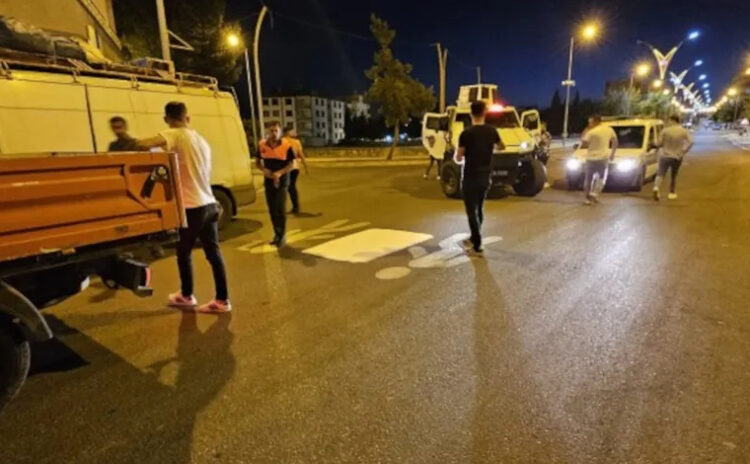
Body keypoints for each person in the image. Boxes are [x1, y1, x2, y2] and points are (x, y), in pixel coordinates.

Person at [137, 102, 231, 314]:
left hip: (192, 207)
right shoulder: (201, 140)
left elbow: (145, 144)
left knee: (183, 252)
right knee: (214, 254)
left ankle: (187, 295)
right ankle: (222, 299)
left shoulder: (175, 134)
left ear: (167, 119)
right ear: (187, 117)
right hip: (209, 203)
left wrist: (128, 141)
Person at [455, 100, 505, 255]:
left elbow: (458, 157)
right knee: (479, 207)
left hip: (470, 176)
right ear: (484, 113)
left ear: (471, 114)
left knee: (471, 211)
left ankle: (477, 244)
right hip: (485, 176)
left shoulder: (466, 134)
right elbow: (502, 146)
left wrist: (459, 157)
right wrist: (489, 151)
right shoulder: (492, 131)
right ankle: (474, 237)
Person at [256, 121, 296, 246]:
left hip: (282, 181)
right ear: (268, 131)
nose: (273, 133)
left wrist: (279, 173)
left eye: (276, 131)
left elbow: (291, 164)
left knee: (280, 208)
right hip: (268, 181)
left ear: (280, 132)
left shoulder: (287, 146)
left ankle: (282, 235)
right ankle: (277, 234)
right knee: (272, 209)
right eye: (271, 131)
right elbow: (257, 162)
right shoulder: (262, 145)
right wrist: (264, 170)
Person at [653, 115, 694, 201]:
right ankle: (672, 193)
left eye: (669, 120)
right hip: (677, 157)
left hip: (665, 156)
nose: (668, 122)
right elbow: (691, 142)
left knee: (660, 173)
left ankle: (656, 187)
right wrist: (684, 151)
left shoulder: (665, 131)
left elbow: (659, 143)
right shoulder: (683, 131)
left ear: (673, 120)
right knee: (674, 175)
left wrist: (654, 144)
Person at [580, 115, 618, 205]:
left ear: (596, 121)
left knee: (588, 179)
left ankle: (587, 199)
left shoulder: (591, 132)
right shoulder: (609, 130)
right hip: (603, 158)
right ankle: (595, 193)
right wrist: (612, 153)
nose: (589, 124)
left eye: (590, 122)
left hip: (590, 159)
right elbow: (615, 141)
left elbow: (584, 142)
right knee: (602, 178)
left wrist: (585, 130)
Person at [282, 127, 308, 214]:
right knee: (291, 186)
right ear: (288, 132)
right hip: (295, 166)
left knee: (289, 187)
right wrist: (306, 166)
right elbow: (301, 154)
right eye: (291, 131)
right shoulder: (296, 142)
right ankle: (295, 206)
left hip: (286, 166)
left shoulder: (281, 141)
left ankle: (294, 207)